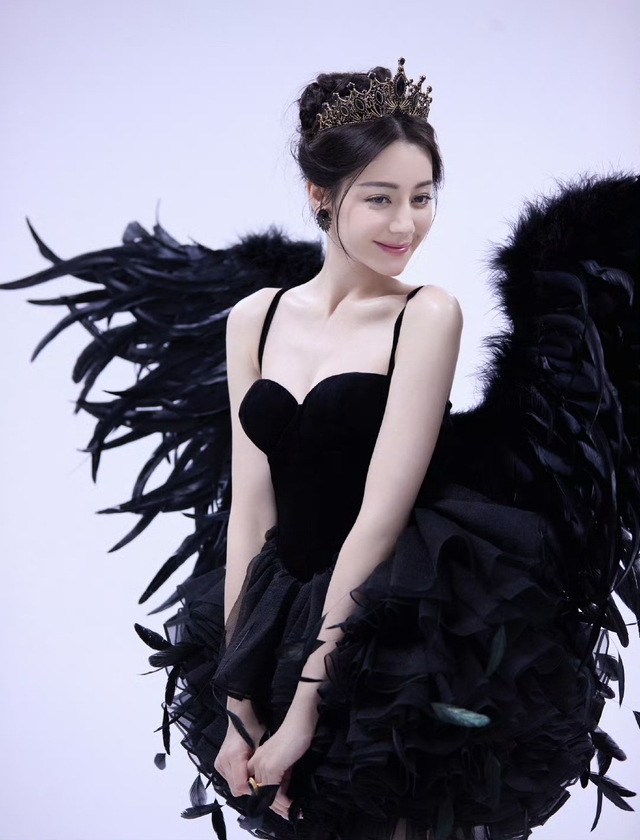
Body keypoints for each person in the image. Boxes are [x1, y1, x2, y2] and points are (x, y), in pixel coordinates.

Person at [2, 58, 639, 840]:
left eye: (422, 197)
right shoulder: (255, 318)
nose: (406, 225)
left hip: (399, 623)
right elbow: (249, 512)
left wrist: (307, 706)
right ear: (320, 195)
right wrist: (237, 702)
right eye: (380, 198)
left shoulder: (426, 315)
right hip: (275, 609)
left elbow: (379, 516)